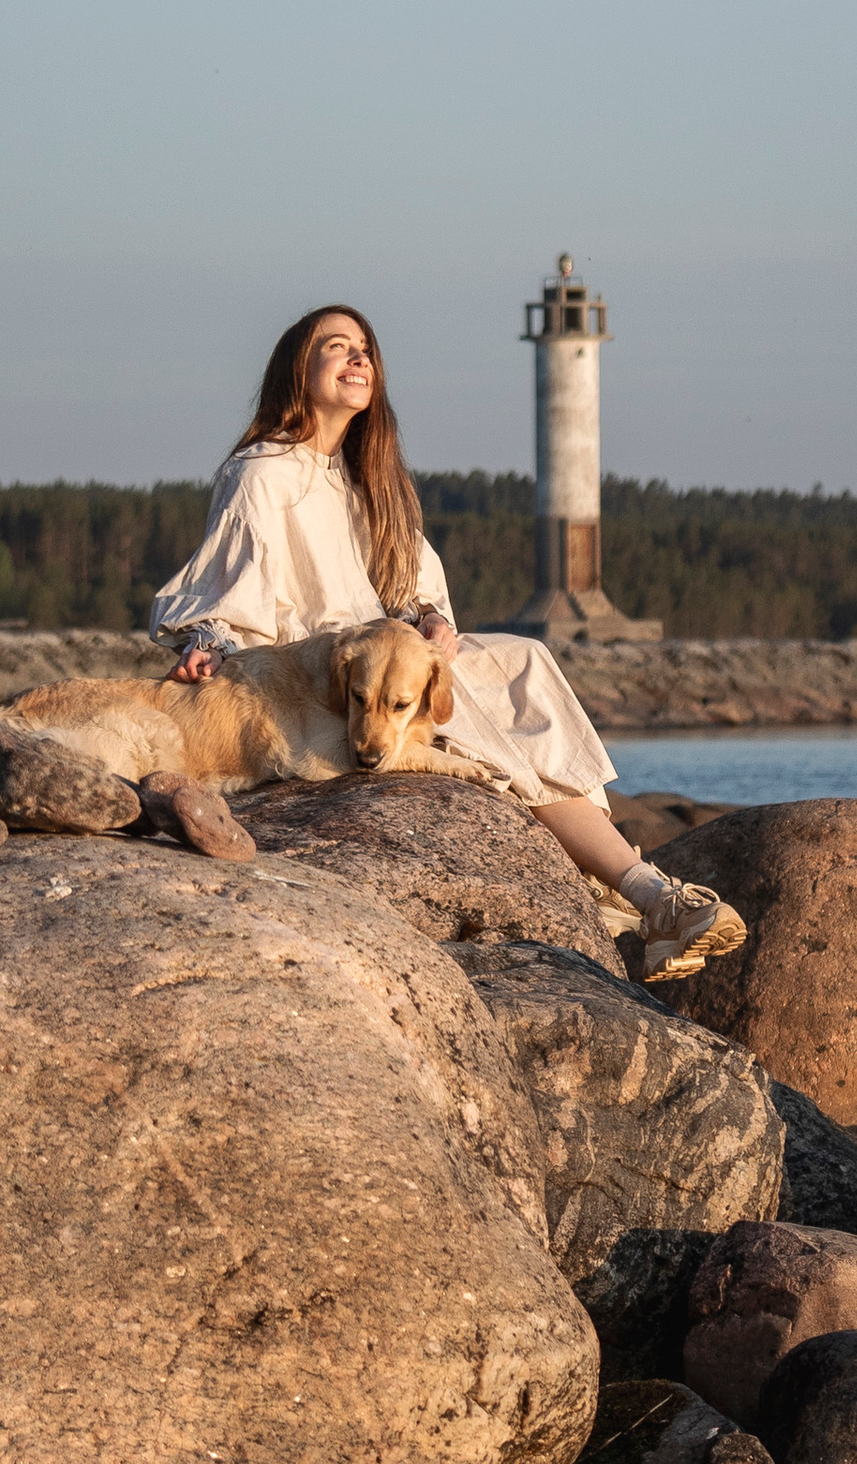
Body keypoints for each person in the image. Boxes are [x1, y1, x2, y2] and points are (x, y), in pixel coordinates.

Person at [149, 305, 744, 986]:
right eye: (336, 347)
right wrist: (209, 641)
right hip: (322, 673)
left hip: (391, 650)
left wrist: (431, 621)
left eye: (366, 349)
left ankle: (617, 894)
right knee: (466, 709)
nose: (358, 358)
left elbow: (411, 584)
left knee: (524, 660)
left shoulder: (367, 475)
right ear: (296, 369)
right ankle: (644, 894)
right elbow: (230, 582)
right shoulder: (263, 471)